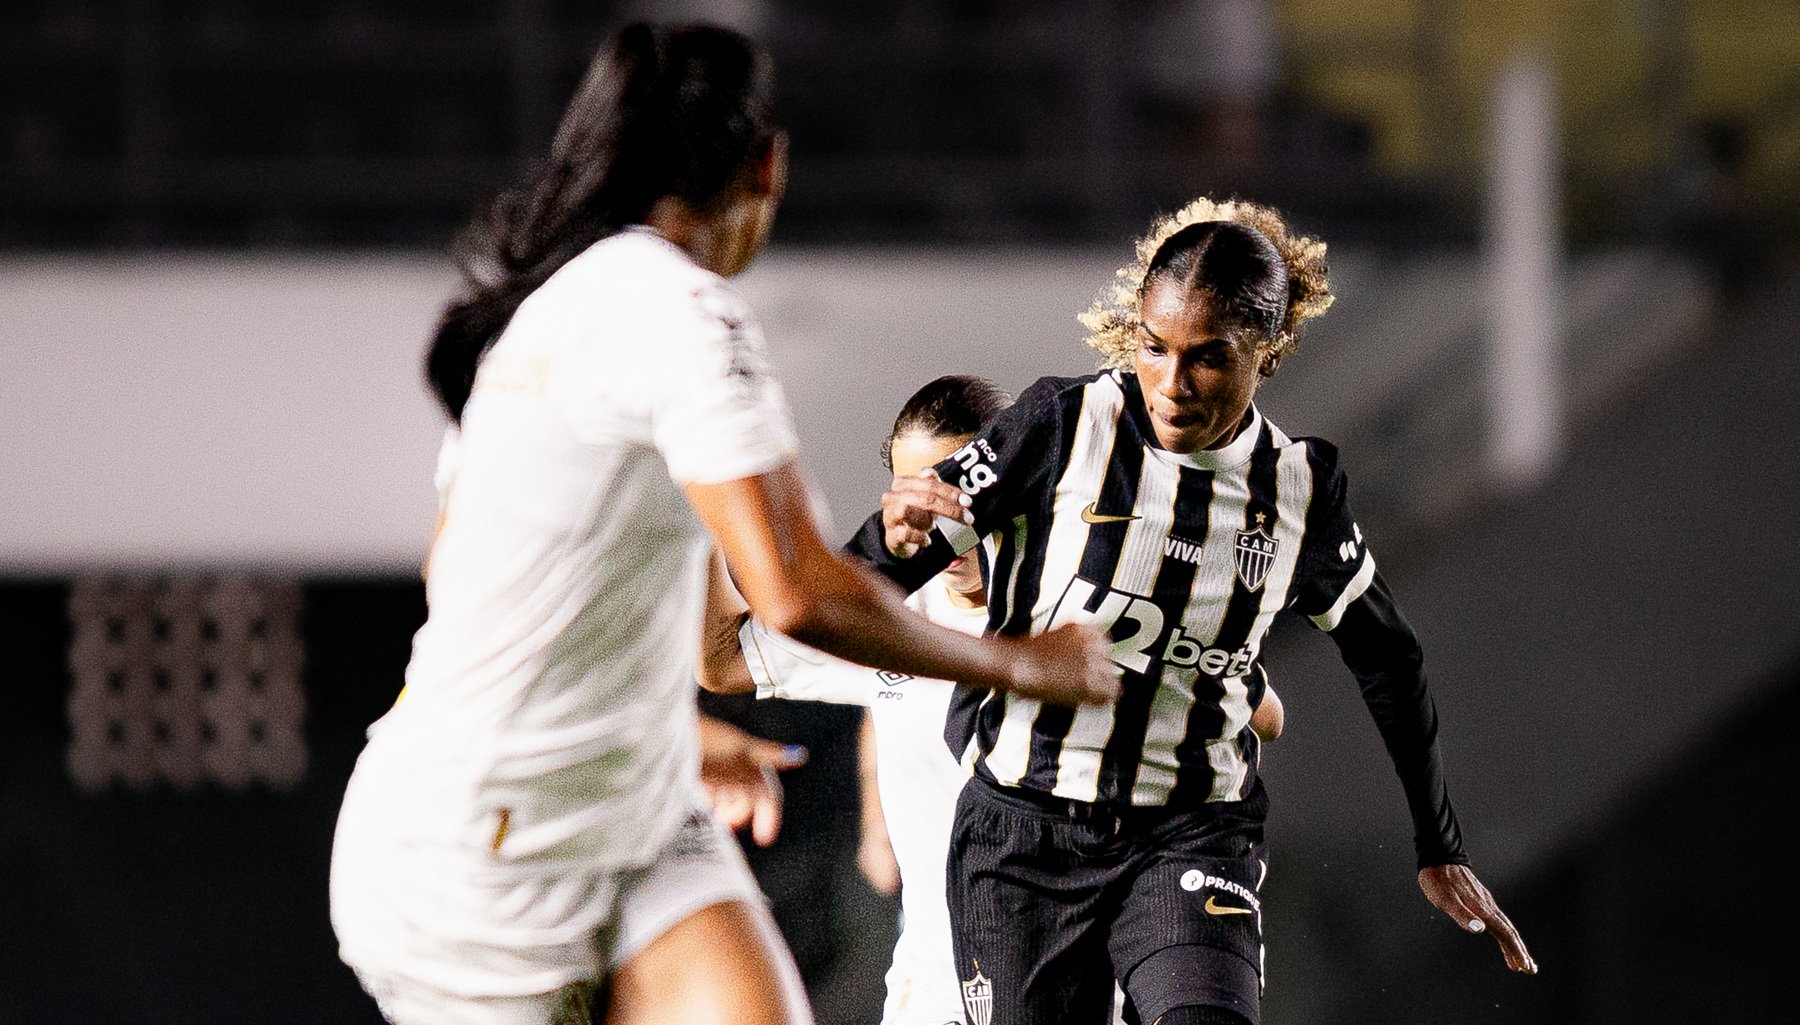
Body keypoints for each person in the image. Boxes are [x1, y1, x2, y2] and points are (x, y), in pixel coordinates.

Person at [328, 24, 1117, 1025]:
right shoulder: (683, 310)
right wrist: (1024, 664)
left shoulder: (540, 313)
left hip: (623, 805)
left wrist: (652, 726)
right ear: (767, 165)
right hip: (482, 853)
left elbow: (478, 581)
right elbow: (795, 593)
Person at [851, 199, 1537, 1025]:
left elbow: (1389, 656)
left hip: (1188, 831)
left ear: (1268, 352)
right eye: (1154, 347)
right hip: (1025, 835)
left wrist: (1439, 843)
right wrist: (890, 540)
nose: (1173, 385)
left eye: (1209, 358)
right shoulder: (1062, 425)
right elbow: (868, 575)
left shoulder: (1298, 490)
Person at [699, 375, 1286, 1025]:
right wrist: (694, 499)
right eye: (916, 495)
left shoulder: (1096, 598)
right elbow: (723, 662)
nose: (938, 521)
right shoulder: (885, 616)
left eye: (959, 493)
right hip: (936, 995)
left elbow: (1263, 712)